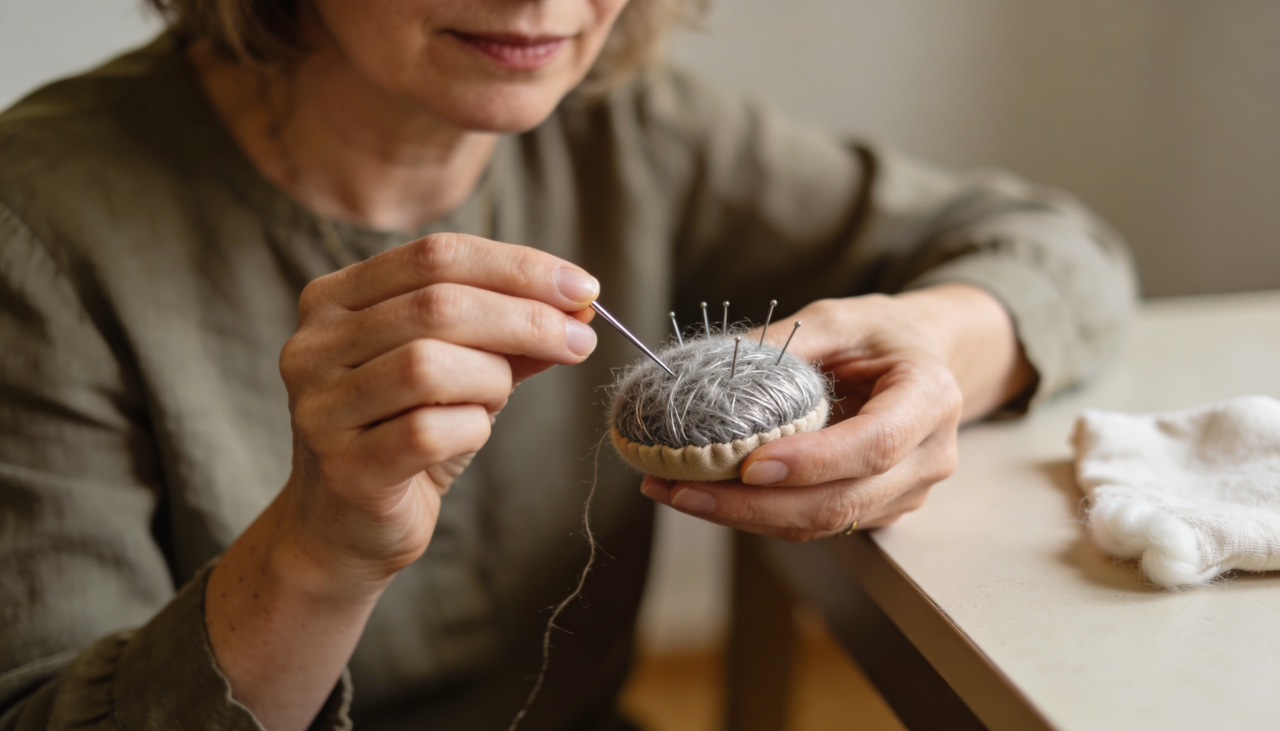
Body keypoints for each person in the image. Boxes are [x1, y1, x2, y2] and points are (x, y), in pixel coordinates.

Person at [0, 0, 1135, 728]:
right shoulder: (38, 226)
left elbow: (1054, 249)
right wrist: (318, 549)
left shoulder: (631, 126)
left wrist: (935, 345)